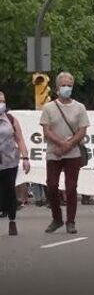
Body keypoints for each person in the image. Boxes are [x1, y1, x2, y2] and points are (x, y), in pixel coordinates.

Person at [40, 72, 90, 234]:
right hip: (54, 152)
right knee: (52, 185)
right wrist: (60, 144)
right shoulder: (48, 107)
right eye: (63, 85)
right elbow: (46, 130)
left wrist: (68, 145)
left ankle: (70, 221)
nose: (67, 88)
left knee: (71, 187)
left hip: (73, 153)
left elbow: (82, 131)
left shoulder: (79, 107)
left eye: (69, 85)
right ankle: (57, 218)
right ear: (57, 87)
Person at [0, 91, 31, 236]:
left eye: (3, 101)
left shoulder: (11, 119)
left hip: (9, 161)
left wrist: (25, 158)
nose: (1, 104)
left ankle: (12, 221)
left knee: (9, 192)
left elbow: (20, 139)